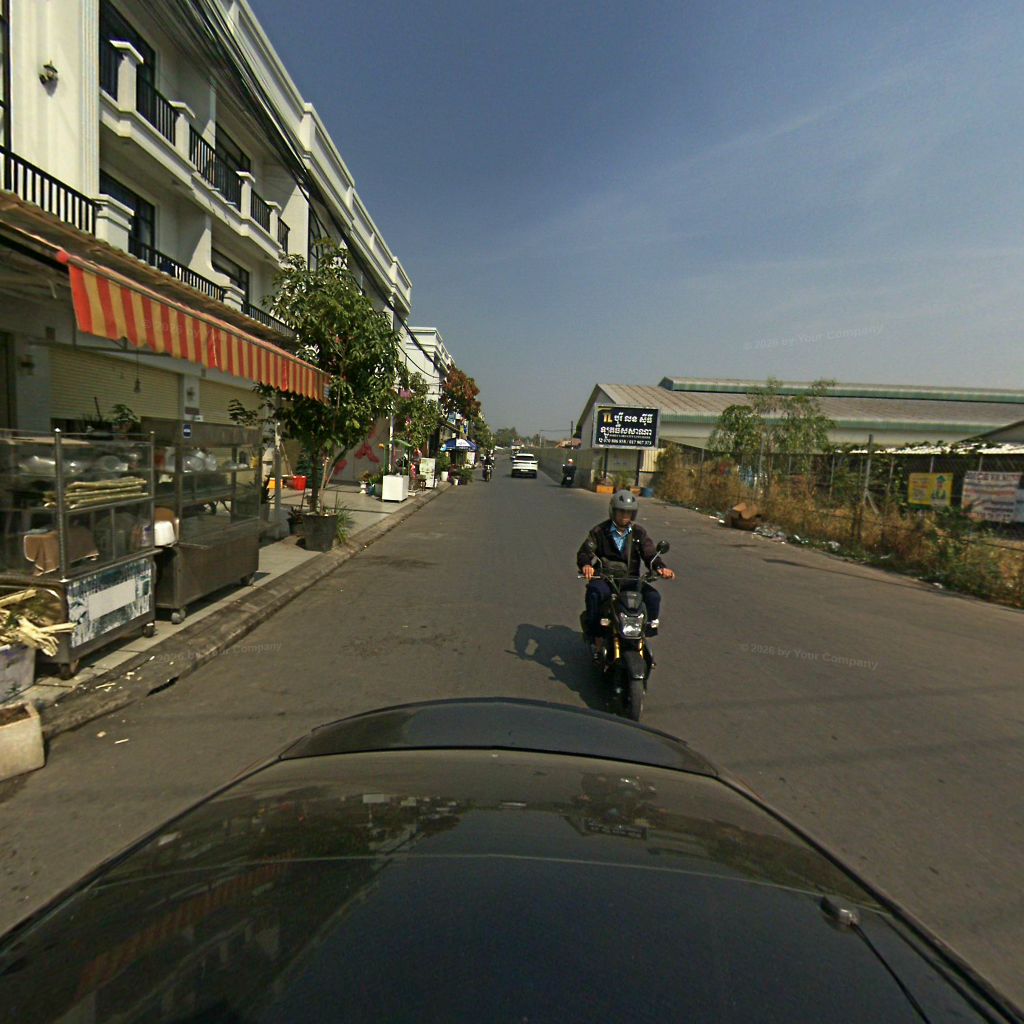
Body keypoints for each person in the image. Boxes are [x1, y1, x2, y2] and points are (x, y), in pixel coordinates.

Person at [576, 489, 675, 661]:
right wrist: (586, 565)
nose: (624, 516)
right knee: (595, 593)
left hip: (630, 580)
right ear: (613, 511)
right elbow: (585, 552)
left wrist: (660, 568)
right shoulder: (600, 531)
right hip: (606, 579)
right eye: (621, 511)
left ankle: (643, 631)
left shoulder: (639, 533)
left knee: (653, 597)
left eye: (628, 512)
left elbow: (650, 554)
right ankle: (596, 636)